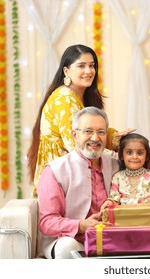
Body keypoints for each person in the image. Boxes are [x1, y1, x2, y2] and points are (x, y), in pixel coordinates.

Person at [27, 44, 124, 198]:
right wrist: (120, 156)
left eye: (92, 66)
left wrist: (120, 140)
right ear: (66, 71)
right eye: (81, 66)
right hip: (62, 178)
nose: (89, 71)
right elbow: (76, 145)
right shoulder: (65, 97)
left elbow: (91, 130)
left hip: (78, 172)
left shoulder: (79, 96)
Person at [37, 107, 120, 259]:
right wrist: (80, 226)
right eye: (88, 131)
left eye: (101, 132)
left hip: (110, 238)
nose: (95, 138)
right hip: (71, 240)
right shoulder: (55, 170)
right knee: (67, 247)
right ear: (75, 135)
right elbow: (47, 221)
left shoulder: (116, 165)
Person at [101, 133, 150, 215]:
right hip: (125, 220)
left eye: (140, 153)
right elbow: (114, 199)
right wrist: (109, 202)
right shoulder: (117, 177)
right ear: (122, 156)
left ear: (146, 156)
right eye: (129, 153)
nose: (134, 157)